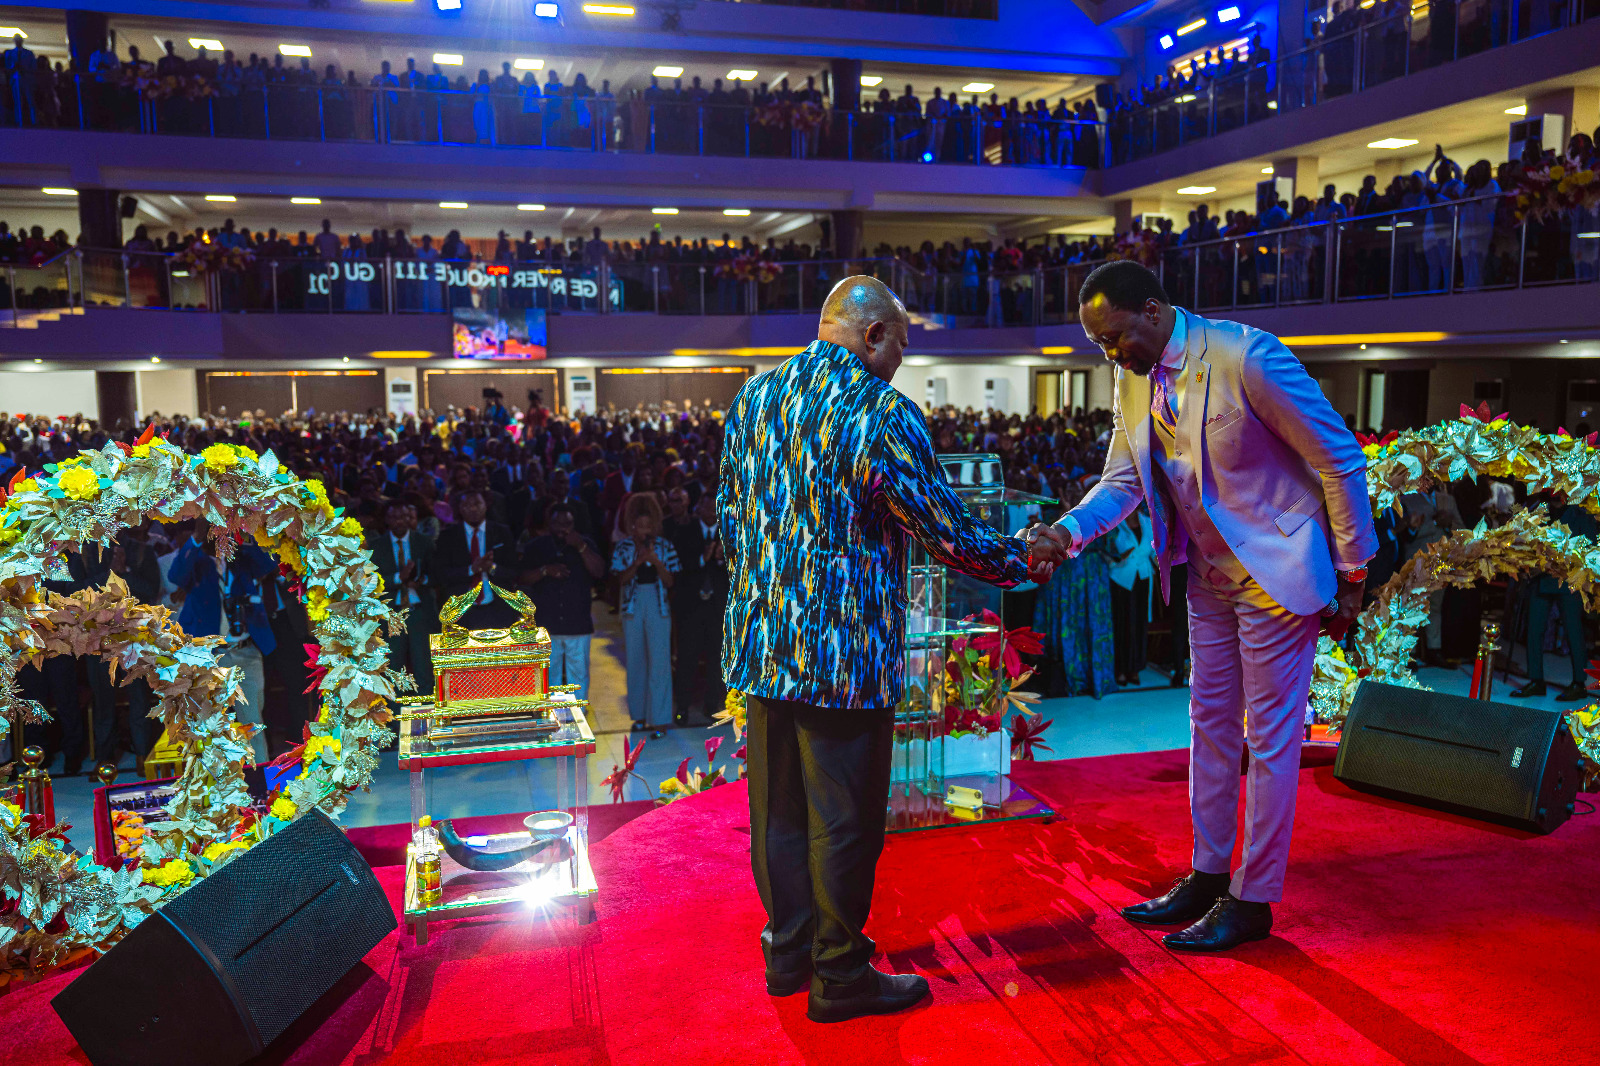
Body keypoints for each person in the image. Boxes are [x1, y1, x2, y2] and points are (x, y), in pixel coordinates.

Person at [721, 275, 1059, 1022]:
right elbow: (944, 532)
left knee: (778, 811)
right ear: (873, 336)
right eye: (901, 347)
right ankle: (840, 975)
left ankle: (790, 955)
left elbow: (728, 521)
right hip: (840, 655)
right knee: (843, 820)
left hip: (762, 642)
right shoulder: (881, 413)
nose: (900, 363)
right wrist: (1019, 557)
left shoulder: (753, 398)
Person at [1025, 260, 1375, 953]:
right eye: (1098, 344)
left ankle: (1253, 897)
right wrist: (1067, 531)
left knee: (1270, 739)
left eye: (1115, 337)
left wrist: (1352, 567)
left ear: (1153, 311)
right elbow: (1121, 482)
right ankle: (1210, 873)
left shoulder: (1248, 356)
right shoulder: (1131, 379)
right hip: (1204, 573)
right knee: (1210, 726)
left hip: (1276, 568)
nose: (1110, 354)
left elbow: (1340, 458)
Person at [168, 523, 280, 764]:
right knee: (208, 725)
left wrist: (244, 534)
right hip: (207, 657)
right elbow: (175, 576)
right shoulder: (195, 560)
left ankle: (260, 786)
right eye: (212, 525)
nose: (217, 530)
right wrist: (197, 538)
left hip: (245, 653)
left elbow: (268, 565)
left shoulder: (241, 558)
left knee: (253, 723)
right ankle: (216, 787)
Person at [1510, 491, 1594, 701]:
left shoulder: (1580, 511)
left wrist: (1562, 563)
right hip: (1540, 579)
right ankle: (1536, 680)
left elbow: (1590, 543)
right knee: (1534, 629)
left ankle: (1578, 682)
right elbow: (1524, 538)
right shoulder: (1540, 509)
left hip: (1568, 580)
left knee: (1573, 630)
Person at [521, 501, 604, 702]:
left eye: (567, 524)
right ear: (549, 524)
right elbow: (521, 578)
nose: (563, 530)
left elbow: (599, 572)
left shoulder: (585, 544)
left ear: (574, 524)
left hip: (578, 624)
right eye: (558, 524)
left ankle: (580, 718)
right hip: (547, 624)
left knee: (579, 676)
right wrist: (545, 571)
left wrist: (581, 547)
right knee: (549, 678)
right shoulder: (536, 546)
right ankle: (553, 722)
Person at [610, 494, 678, 736]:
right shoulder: (623, 547)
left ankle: (660, 719)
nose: (644, 531)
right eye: (640, 526)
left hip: (659, 607)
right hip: (633, 607)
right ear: (632, 526)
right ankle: (638, 716)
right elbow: (620, 579)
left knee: (660, 664)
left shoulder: (665, 546)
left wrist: (657, 562)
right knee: (636, 663)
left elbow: (671, 581)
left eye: (649, 526)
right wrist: (638, 562)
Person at [370, 499, 436, 699]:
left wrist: (421, 580)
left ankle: (427, 710)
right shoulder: (376, 546)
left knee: (423, 664)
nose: (399, 521)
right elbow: (372, 582)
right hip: (392, 614)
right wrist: (400, 577)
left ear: (410, 519)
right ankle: (395, 718)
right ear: (387, 520)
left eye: (403, 516)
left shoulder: (423, 542)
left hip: (419, 611)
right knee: (393, 667)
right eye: (394, 517)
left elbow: (439, 576)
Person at [432, 489, 517, 628]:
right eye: (467, 505)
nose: (472, 508)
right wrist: (471, 569)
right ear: (459, 508)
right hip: (461, 611)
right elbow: (441, 574)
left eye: (477, 504)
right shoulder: (447, 537)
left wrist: (491, 568)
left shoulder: (502, 532)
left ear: (486, 505)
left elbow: (514, 571)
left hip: (499, 609)